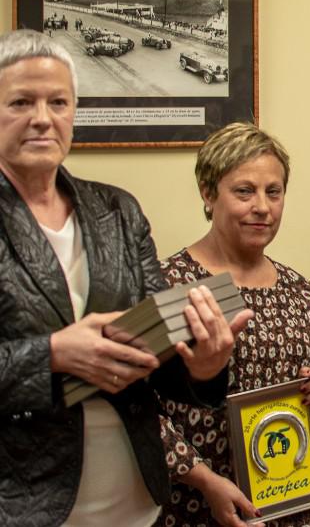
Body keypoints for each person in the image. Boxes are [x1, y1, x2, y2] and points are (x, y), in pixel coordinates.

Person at [0, 29, 248, 526]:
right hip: (23, 504)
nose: (43, 118)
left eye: (58, 102)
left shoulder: (117, 210)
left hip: (134, 498)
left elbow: (157, 352)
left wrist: (203, 365)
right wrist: (51, 355)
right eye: (21, 102)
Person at [158, 123, 310, 527]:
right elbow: (140, 411)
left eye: (273, 192)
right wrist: (205, 481)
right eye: (244, 191)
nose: (262, 207)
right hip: (201, 507)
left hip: (292, 504)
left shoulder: (297, 288)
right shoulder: (173, 285)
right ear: (208, 194)